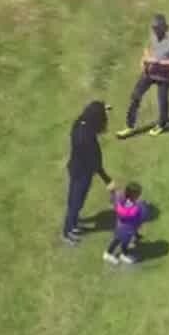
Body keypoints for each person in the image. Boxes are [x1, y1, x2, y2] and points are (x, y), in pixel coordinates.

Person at [121, 14, 169, 138]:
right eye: (153, 29)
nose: (154, 32)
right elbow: (148, 48)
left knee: (162, 101)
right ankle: (129, 126)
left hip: (165, 76)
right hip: (150, 72)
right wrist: (144, 59)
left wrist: (158, 62)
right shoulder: (153, 34)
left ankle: (162, 124)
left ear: (163, 26)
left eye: (157, 29)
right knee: (135, 96)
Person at [62, 101, 115, 244]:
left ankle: (74, 222)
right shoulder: (86, 138)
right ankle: (67, 232)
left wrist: (103, 108)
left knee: (75, 201)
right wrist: (107, 180)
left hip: (76, 169)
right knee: (75, 203)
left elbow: (91, 111)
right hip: (82, 174)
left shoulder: (80, 123)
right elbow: (95, 163)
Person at [105, 181, 146, 265]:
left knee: (126, 241)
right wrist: (137, 208)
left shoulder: (132, 201)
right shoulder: (124, 202)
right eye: (137, 194)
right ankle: (108, 254)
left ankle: (123, 254)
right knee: (117, 240)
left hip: (130, 228)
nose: (139, 196)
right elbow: (124, 213)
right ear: (131, 194)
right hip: (123, 228)